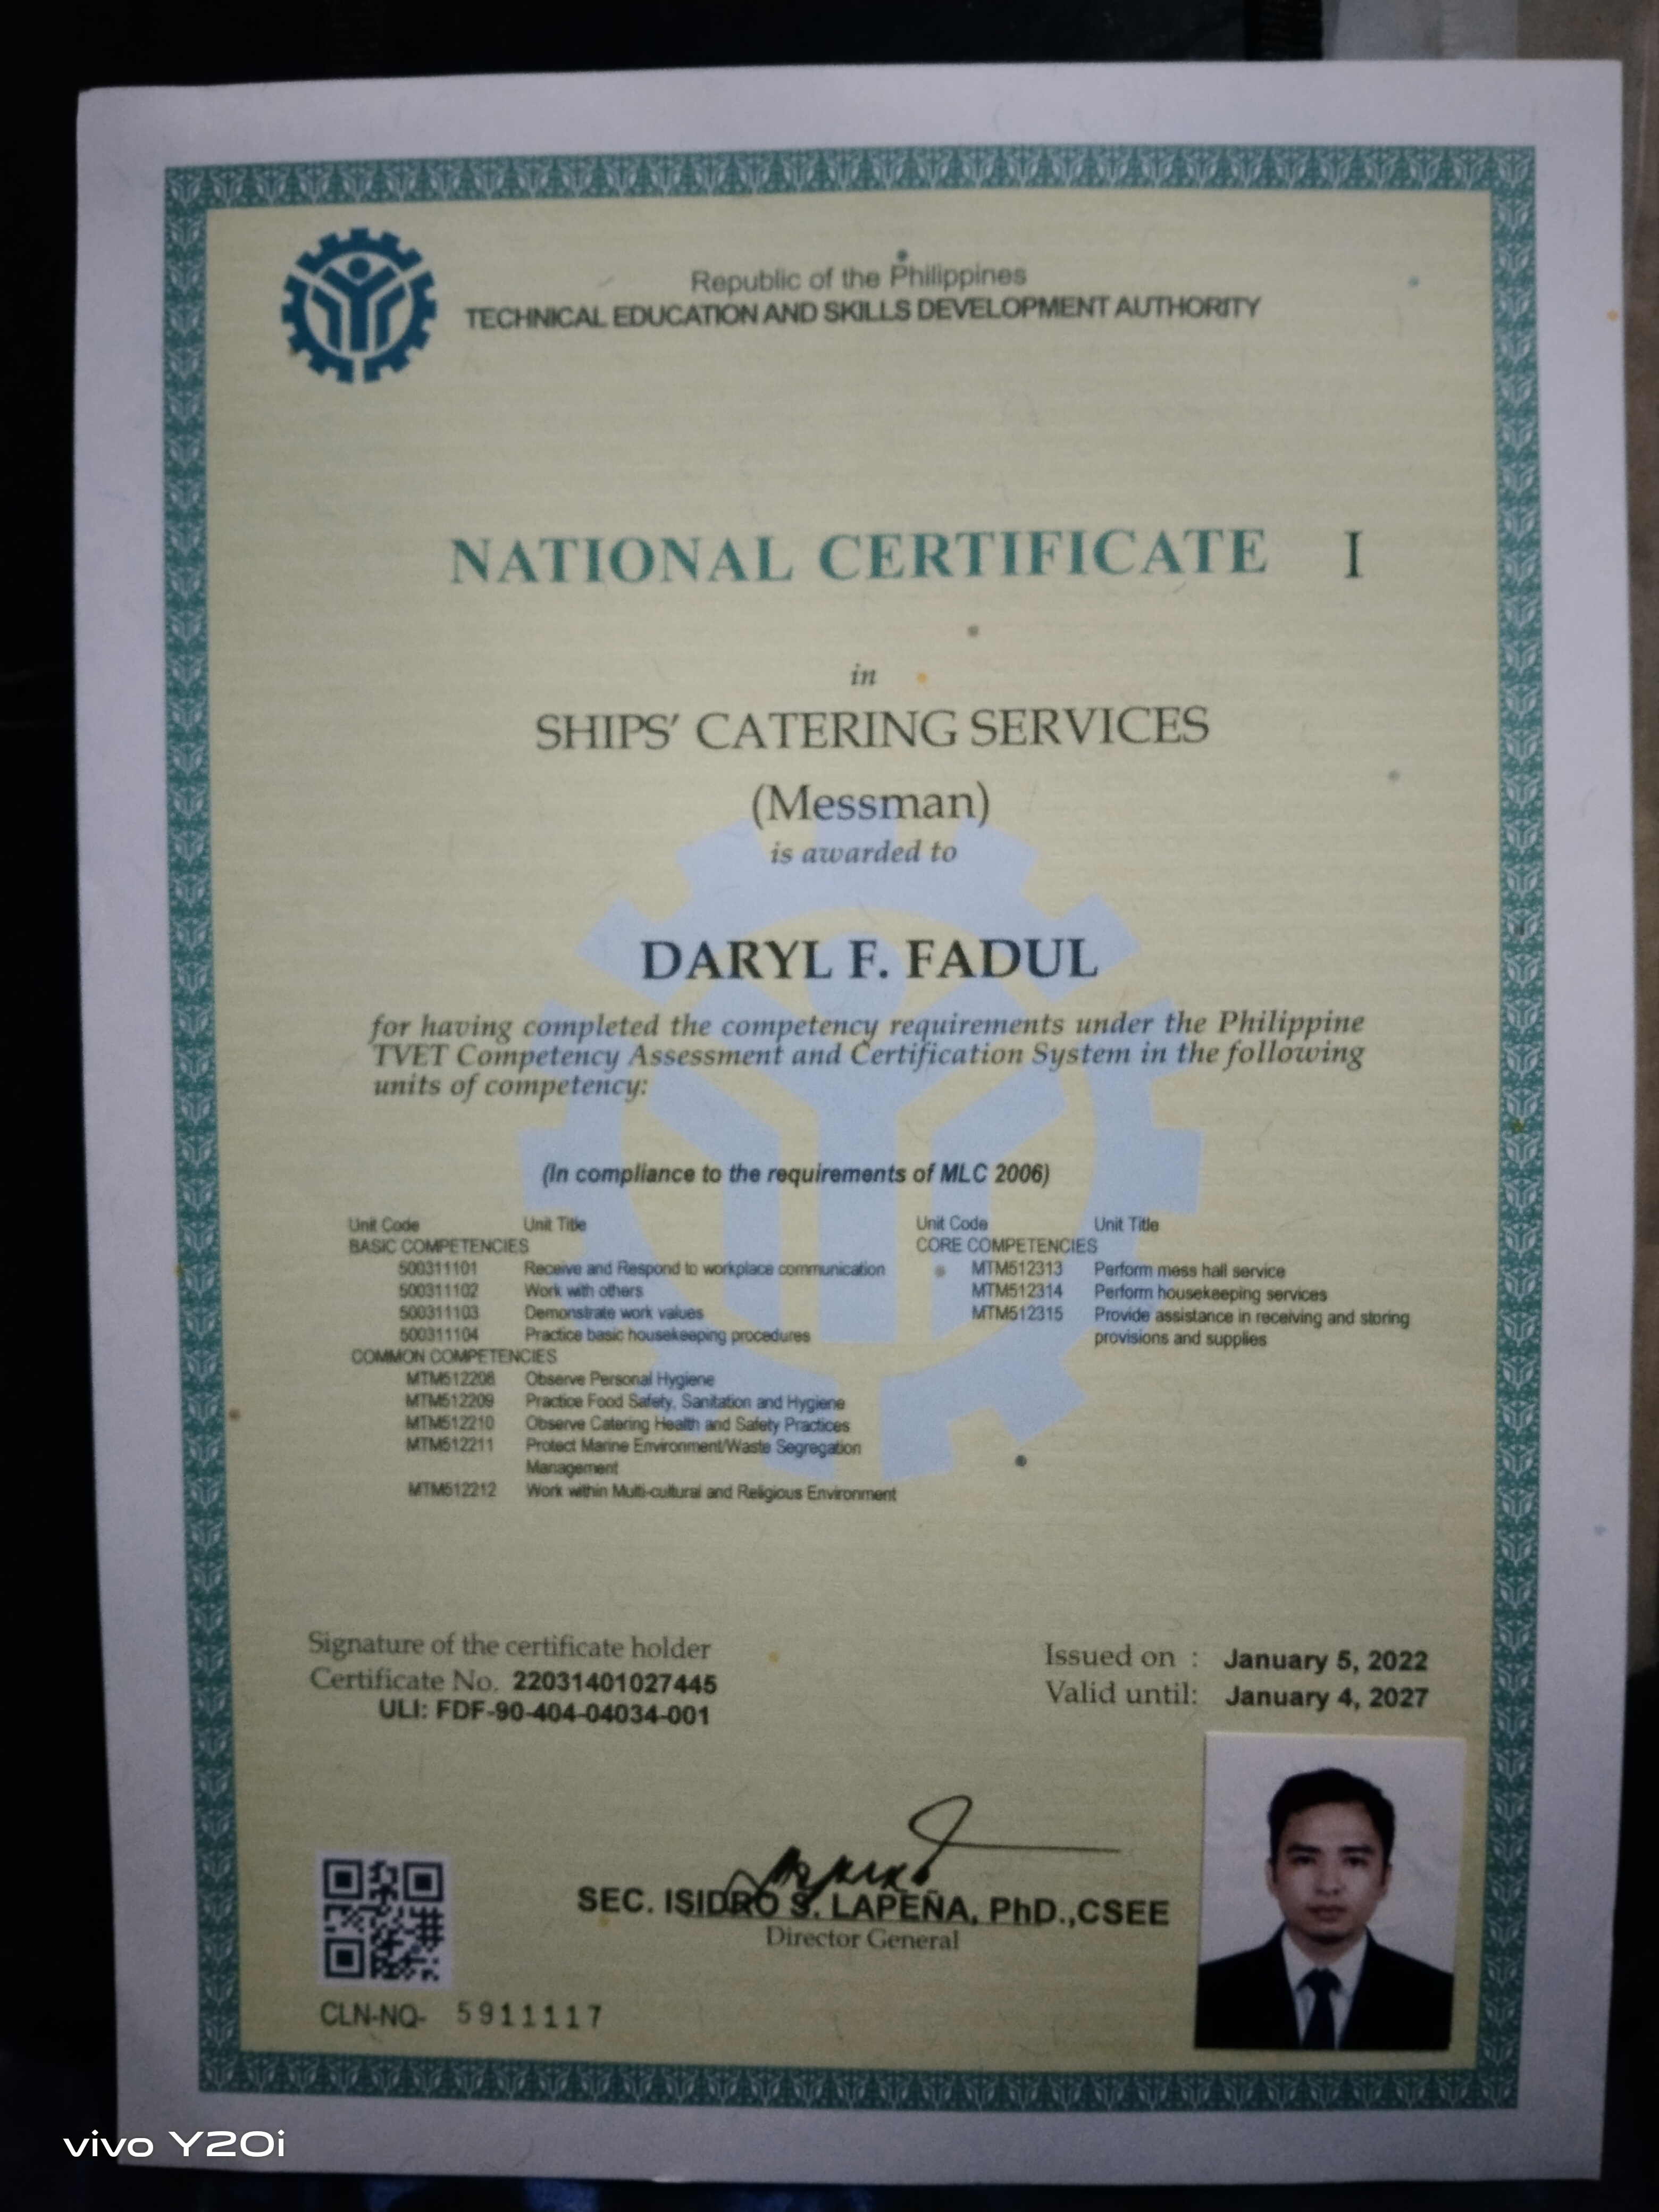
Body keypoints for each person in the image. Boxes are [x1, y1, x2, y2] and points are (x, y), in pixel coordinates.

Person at [1194, 1766, 1453, 2050]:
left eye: (1354, 1861)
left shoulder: (1441, 1999)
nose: (1329, 1886)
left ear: (1385, 1879)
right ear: (1272, 1877)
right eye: (1305, 1860)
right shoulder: (1205, 1993)